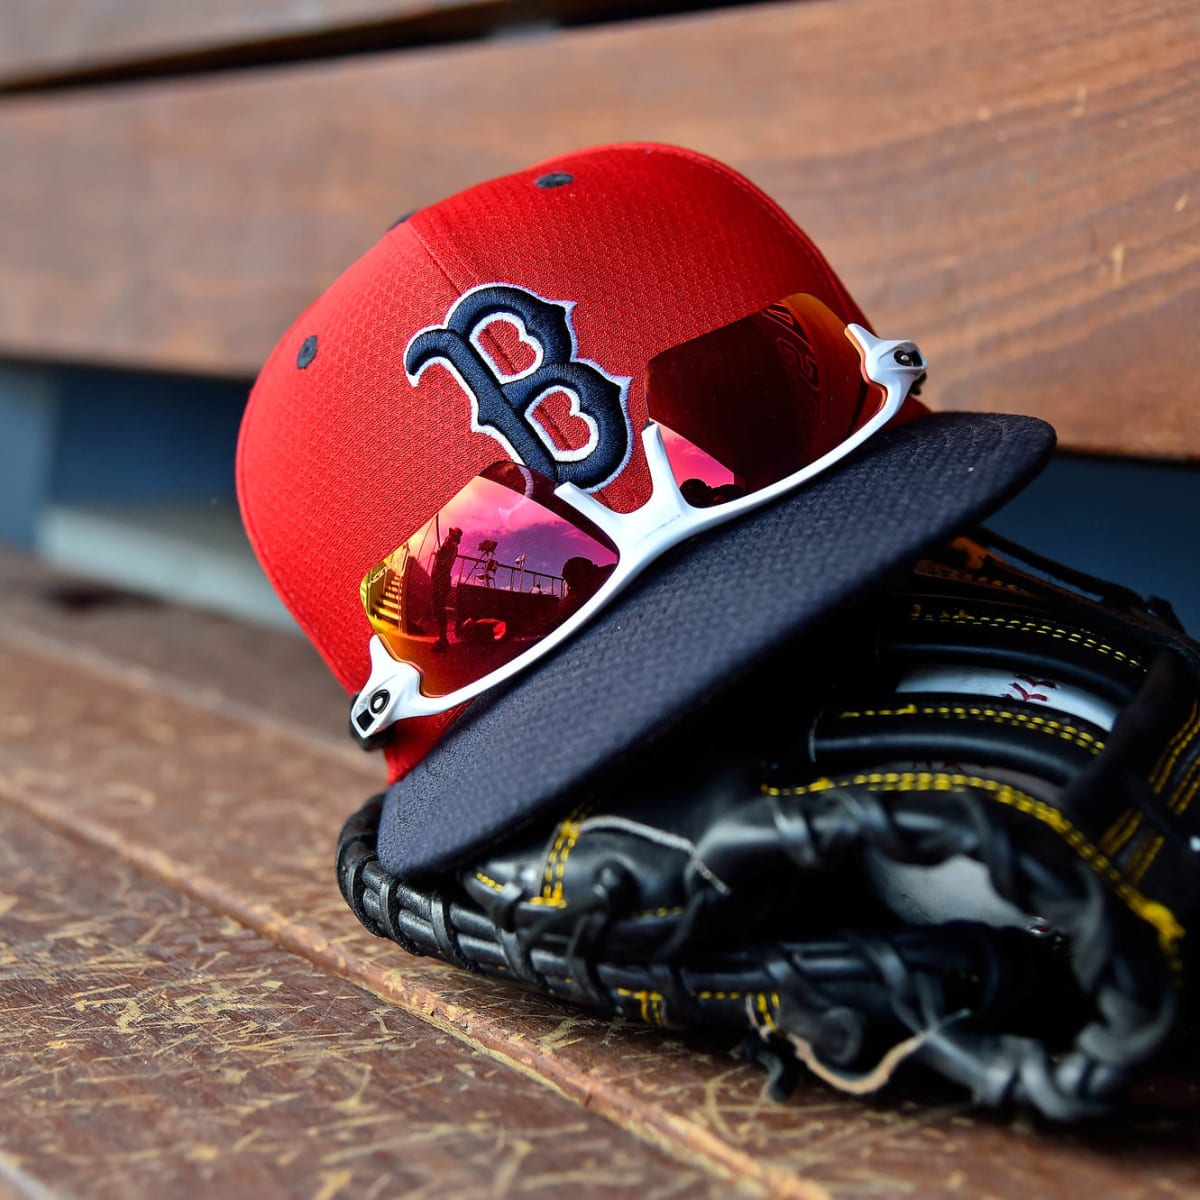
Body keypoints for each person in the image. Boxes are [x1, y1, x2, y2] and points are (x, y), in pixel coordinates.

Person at [430, 527, 462, 651]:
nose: (448, 536)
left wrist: (440, 551)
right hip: (440, 578)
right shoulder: (451, 544)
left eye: (451, 534)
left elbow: (443, 562)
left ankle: (443, 640)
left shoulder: (451, 545)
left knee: (439, 608)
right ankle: (442, 639)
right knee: (437, 608)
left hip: (441, 579)